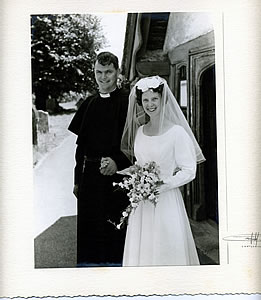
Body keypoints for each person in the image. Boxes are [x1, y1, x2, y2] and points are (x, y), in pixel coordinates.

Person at [119, 75, 206, 266]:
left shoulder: (177, 133)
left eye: (154, 99)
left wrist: (163, 185)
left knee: (166, 251)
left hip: (166, 200)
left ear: (163, 99)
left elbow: (189, 170)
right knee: (142, 250)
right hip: (142, 204)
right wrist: (133, 174)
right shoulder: (140, 131)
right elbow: (142, 163)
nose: (150, 104)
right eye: (146, 100)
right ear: (141, 102)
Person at [68, 52, 130, 267]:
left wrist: (117, 162)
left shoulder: (129, 102)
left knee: (115, 234)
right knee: (90, 237)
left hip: (119, 178)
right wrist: (77, 180)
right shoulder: (88, 104)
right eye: (99, 72)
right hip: (90, 179)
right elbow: (80, 148)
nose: (103, 78)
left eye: (109, 72)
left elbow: (137, 144)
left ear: (117, 72)